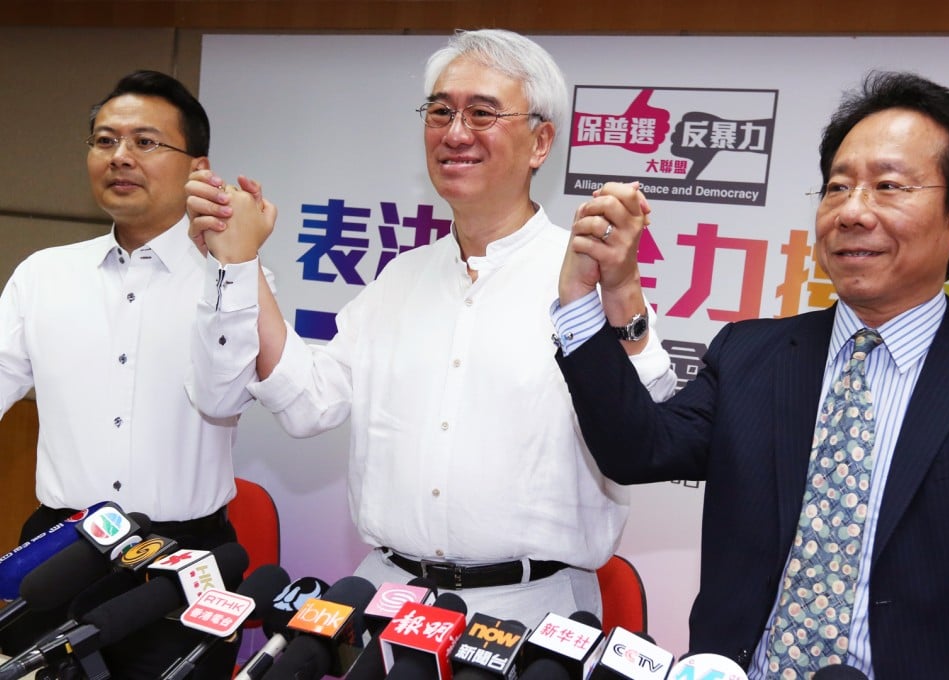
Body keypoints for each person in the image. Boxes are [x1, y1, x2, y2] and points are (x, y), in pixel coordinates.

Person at [184, 28, 675, 627]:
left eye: (482, 113)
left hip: (532, 613)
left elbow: (651, 421)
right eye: (440, 111)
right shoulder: (400, 279)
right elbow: (306, 402)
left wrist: (621, 291)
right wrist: (242, 264)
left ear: (541, 141)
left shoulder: (586, 274)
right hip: (388, 604)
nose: (455, 132)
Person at [553, 71, 949, 678]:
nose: (852, 211)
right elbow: (637, 449)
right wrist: (582, 301)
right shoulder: (752, 353)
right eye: (837, 187)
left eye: (888, 187)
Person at [0, 70, 241, 678]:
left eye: (145, 142)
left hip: (185, 558)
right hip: (62, 550)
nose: (120, 158)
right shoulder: (44, 274)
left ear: (197, 167)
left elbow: (231, 395)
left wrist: (229, 267)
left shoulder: (232, 277)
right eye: (104, 141)